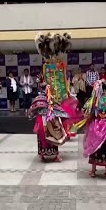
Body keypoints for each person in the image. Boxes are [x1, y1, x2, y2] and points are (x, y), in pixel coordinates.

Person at [30, 32, 80, 162]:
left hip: (56, 101)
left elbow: (62, 81)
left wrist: (66, 94)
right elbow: (45, 82)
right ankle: (44, 152)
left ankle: (54, 152)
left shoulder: (57, 66)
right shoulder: (48, 67)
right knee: (45, 126)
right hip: (48, 101)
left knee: (54, 125)